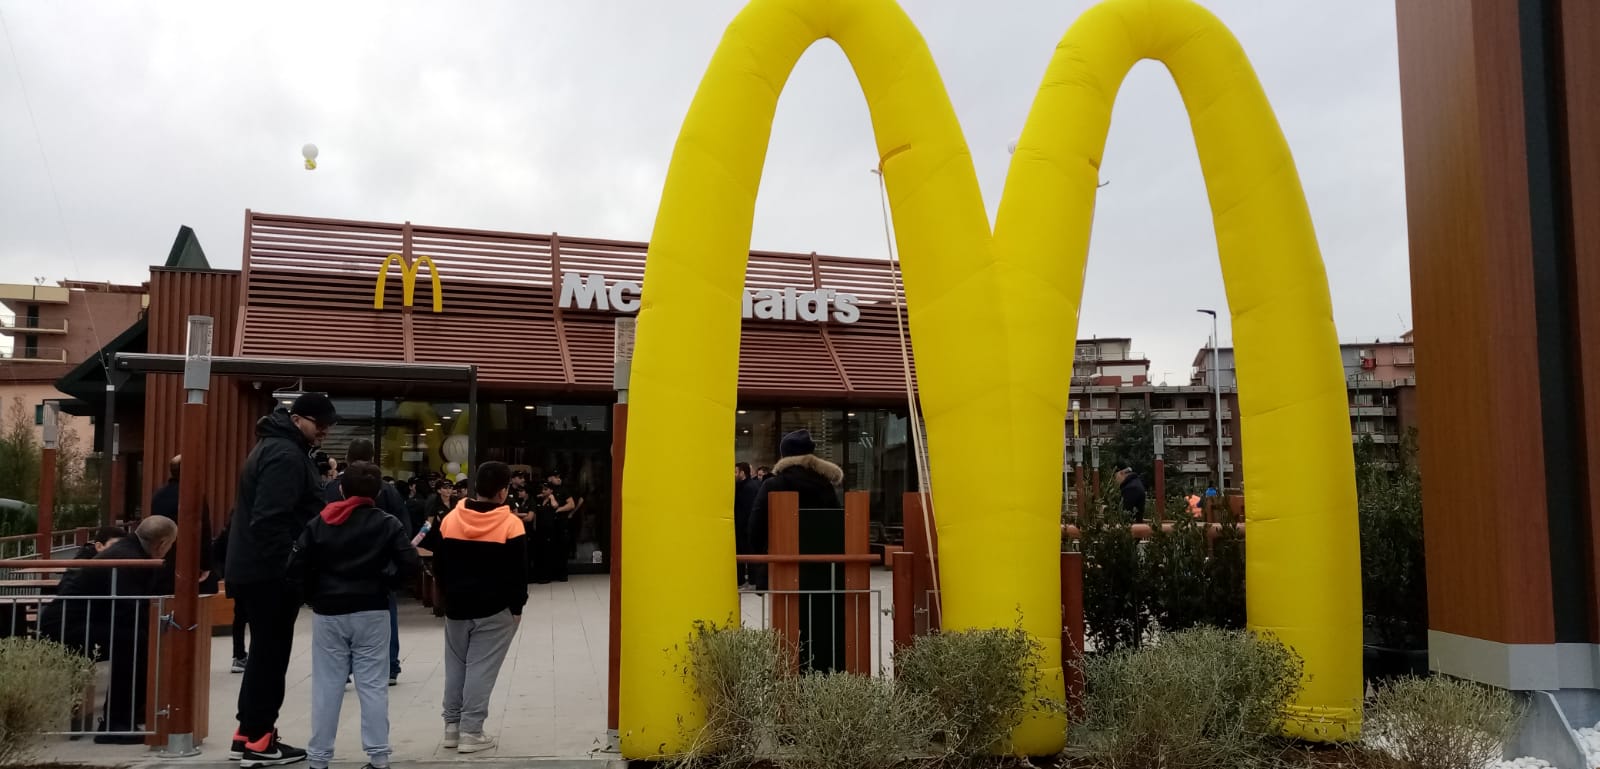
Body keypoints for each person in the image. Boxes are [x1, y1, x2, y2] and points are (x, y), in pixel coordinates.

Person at [226, 392, 338, 767]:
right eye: (319, 425)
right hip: (269, 574)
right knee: (272, 657)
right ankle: (260, 740)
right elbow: (271, 519)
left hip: (253, 569)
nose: (323, 432)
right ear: (297, 419)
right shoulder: (286, 456)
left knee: (262, 654)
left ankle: (247, 733)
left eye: (328, 426)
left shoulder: (272, 447)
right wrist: (291, 567)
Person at [288, 462, 421, 769]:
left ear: (342, 489)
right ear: (377, 492)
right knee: (373, 685)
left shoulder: (320, 522)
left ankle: (319, 758)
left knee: (327, 686)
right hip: (372, 609)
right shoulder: (387, 523)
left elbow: (295, 567)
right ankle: (378, 757)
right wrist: (387, 583)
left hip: (329, 611)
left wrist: (312, 595)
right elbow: (410, 565)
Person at [38, 516, 177, 743]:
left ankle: (130, 714)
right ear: (161, 544)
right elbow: (127, 608)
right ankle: (116, 723)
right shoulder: (129, 558)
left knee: (139, 639)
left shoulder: (129, 551)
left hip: (76, 623)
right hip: (65, 628)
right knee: (134, 641)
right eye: (170, 546)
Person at [433, 461, 528, 754]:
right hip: (494, 609)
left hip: (457, 607)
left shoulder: (451, 518)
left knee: (456, 667)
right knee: (481, 669)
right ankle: (472, 732)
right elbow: (519, 573)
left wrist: (448, 596)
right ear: (503, 492)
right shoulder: (511, 524)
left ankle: (452, 728)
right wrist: (517, 607)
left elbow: (438, 565)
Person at [748, 430, 843, 670]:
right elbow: (838, 526)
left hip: (784, 569)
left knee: (788, 627)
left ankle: (790, 672)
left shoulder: (774, 484)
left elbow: (755, 526)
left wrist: (762, 558)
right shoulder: (826, 486)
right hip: (824, 573)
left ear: (785, 455)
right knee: (820, 624)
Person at [324, 439, 408, 685]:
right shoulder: (386, 489)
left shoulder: (332, 489)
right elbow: (403, 527)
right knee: (387, 614)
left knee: (340, 620)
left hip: (338, 567)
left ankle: (345, 667)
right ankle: (390, 665)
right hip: (379, 567)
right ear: (373, 458)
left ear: (347, 458)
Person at [150, 454, 215, 591]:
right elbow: (203, 530)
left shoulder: (158, 496)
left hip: (164, 557)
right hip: (189, 558)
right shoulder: (194, 495)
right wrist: (206, 564)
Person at [532, 470, 574, 584]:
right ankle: (548, 574)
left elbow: (571, 504)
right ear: (549, 478)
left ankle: (562, 575)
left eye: (559, 476)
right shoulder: (543, 493)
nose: (559, 479)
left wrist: (558, 510)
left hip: (560, 524)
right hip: (546, 527)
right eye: (556, 477)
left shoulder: (563, 490)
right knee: (548, 551)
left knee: (561, 549)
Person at [733, 462, 762, 588]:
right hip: (742, 528)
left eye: (735, 472)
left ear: (742, 473)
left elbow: (747, 510)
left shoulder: (748, 488)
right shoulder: (742, 486)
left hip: (745, 529)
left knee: (748, 555)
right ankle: (745, 580)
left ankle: (751, 580)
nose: (733, 475)